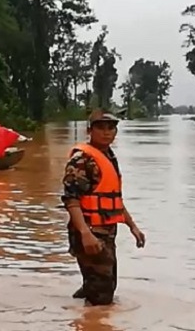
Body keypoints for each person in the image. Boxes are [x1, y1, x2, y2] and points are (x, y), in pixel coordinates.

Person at [62, 109, 147, 306]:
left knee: (105, 285)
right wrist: (85, 233)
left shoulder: (108, 157)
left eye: (111, 128)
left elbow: (113, 199)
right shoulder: (82, 160)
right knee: (102, 296)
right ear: (89, 130)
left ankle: (79, 316)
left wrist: (132, 226)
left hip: (107, 232)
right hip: (90, 231)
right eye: (101, 127)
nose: (107, 132)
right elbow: (71, 200)